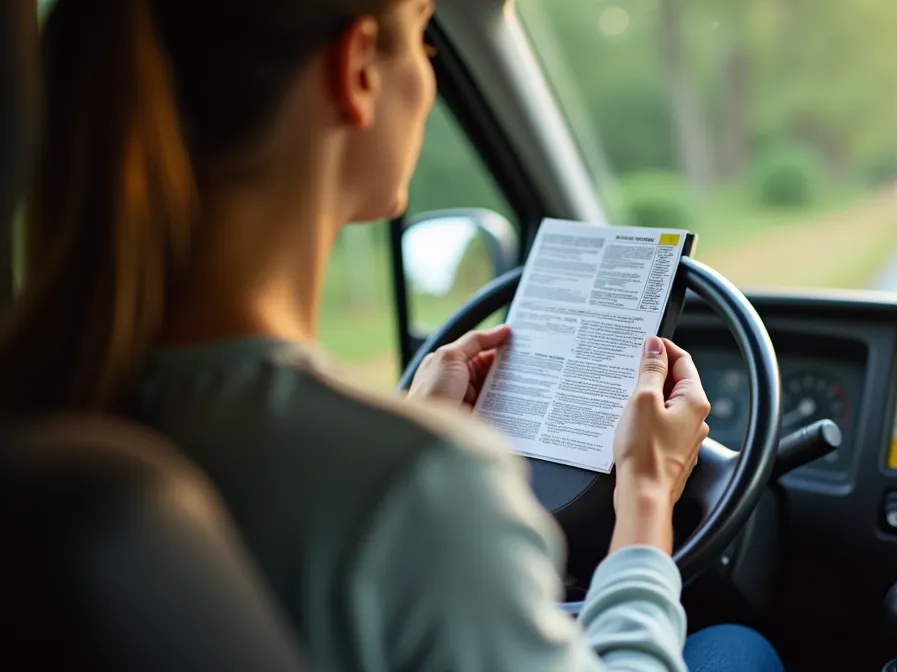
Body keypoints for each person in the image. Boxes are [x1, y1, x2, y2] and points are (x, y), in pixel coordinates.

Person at [0, 0, 782, 671]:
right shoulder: (415, 488)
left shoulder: (50, 396)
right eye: (422, 35)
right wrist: (647, 493)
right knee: (738, 649)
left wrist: (424, 428)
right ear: (359, 69)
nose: (430, 69)